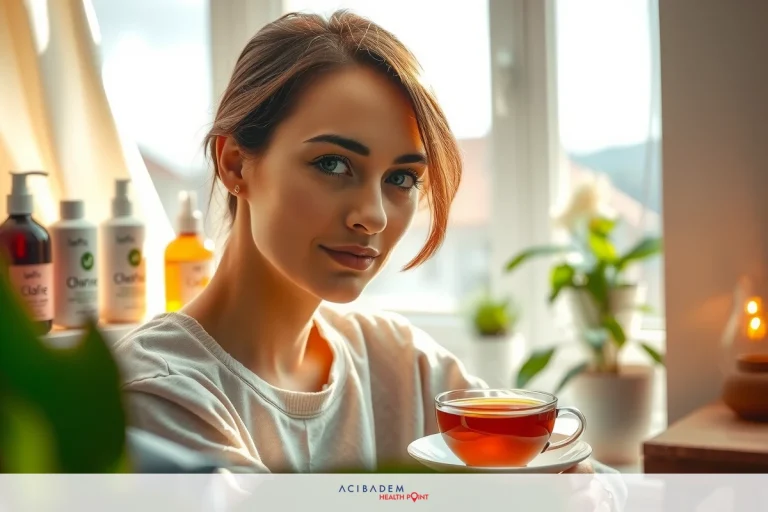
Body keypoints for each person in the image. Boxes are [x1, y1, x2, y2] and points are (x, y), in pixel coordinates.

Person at [113, 12, 623, 504]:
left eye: (401, 178)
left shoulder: (401, 363)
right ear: (235, 164)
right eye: (332, 163)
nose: (374, 216)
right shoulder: (158, 395)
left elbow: (595, 480)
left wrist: (579, 490)